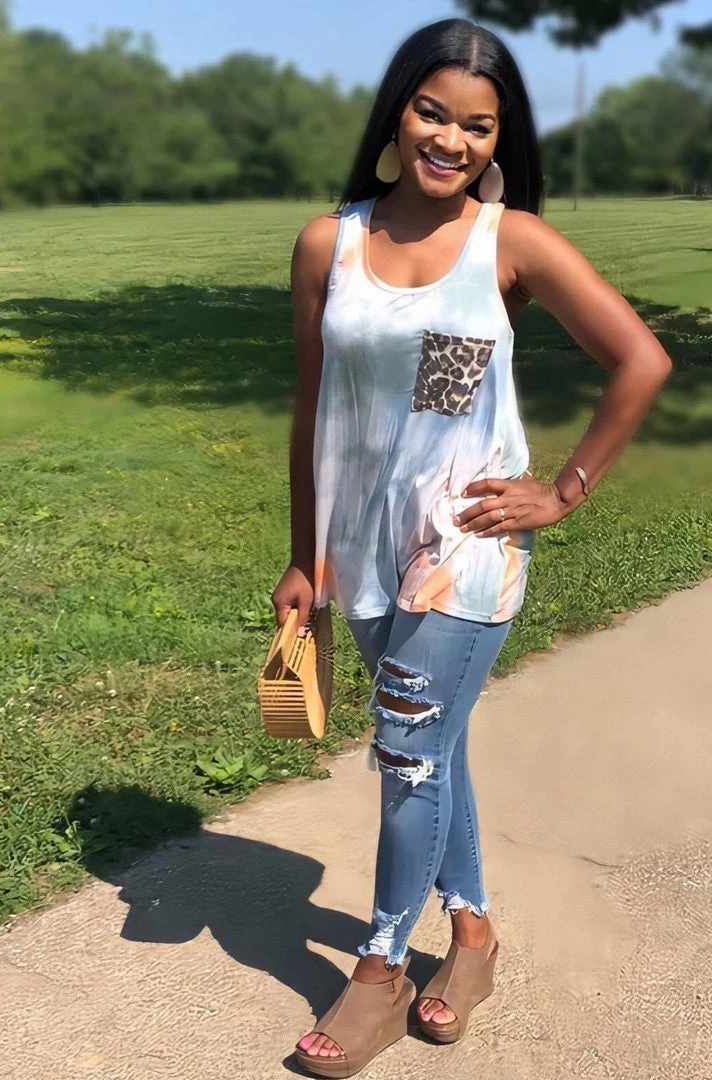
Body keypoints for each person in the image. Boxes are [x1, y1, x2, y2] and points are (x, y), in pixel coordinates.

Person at [271, 17, 672, 1078]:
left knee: (407, 752)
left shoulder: (512, 244)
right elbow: (314, 410)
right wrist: (306, 555)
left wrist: (564, 491)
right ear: (397, 113)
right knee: (431, 748)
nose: (451, 139)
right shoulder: (328, 244)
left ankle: (379, 972)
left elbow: (641, 359)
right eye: (432, 112)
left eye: (478, 127)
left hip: (464, 545)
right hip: (360, 546)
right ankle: (476, 936)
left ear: (499, 141)